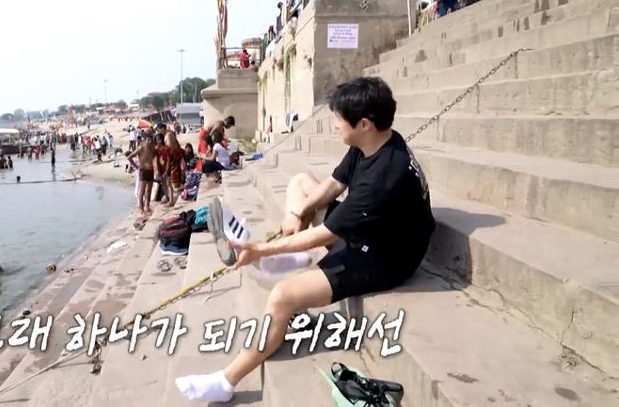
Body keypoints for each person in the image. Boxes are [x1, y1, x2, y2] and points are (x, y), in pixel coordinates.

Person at [175, 77, 435, 403]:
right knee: (300, 184)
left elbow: (326, 235)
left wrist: (260, 249)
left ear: (364, 124)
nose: (335, 124)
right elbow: (335, 184)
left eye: (339, 118)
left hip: (385, 257)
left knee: (282, 296)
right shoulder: (376, 141)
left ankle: (227, 381)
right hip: (376, 230)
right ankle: (290, 260)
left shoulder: (383, 177)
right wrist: (298, 215)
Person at [125, 135, 156, 214]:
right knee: (141, 191)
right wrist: (136, 166)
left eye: (151, 140)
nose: (150, 141)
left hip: (151, 170)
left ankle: (147, 207)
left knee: (149, 191)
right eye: (148, 140)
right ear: (145, 140)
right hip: (143, 170)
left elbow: (154, 156)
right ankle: (141, 208)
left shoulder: (152, 148)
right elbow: (129, 157)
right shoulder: (141, 148)